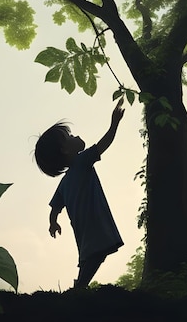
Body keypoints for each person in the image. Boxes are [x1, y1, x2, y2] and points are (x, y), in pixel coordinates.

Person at [34, 98, 126, 288]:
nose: (76, 136)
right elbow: (104, 144)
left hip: (82, 226)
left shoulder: (64, 183)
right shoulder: (82, 161)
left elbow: (55, 208)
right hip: (94, 220)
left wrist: (53, 222)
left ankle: (80, 284)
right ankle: (80, 286)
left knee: (90, 254)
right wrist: (114, 123)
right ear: (65, 149)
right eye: (70, 136)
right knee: (96, 253)